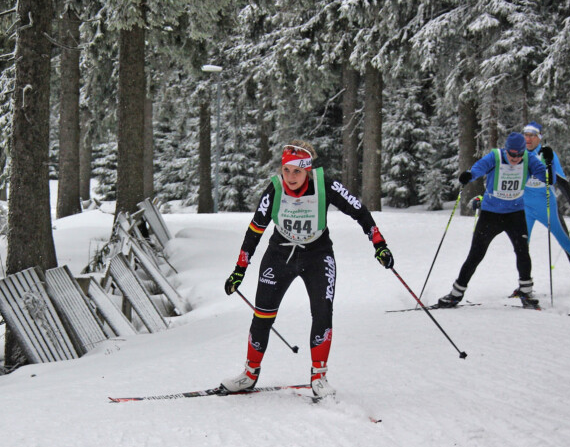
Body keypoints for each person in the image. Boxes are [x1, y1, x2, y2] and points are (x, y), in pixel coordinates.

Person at [221, 140, 394, 398]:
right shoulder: (275, 189)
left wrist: (379, 244)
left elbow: (359, 211)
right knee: (263, 314)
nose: (290, 177)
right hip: (279, 255)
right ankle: (249, 374)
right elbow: (255, 230)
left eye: (297, 171)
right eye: (286, 170)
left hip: (317, 255)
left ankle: (318, 377)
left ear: (307, 170)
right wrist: (239, 270)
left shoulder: (325, 185)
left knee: (322, 311)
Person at [437, 132, 548, 309]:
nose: (515, 158)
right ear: (506, 150)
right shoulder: (495, 157)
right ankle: (456, 294)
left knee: (522, 252)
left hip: (515, 214)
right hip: (491, 214)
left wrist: (549, 164)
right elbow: (478, 168)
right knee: (476, 254)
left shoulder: (529, 159)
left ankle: (526, 292)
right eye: (512, 154)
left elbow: (547, 178)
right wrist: (469, 175)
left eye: (519, 154)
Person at [520, 121, 570, 292]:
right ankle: (524, 285)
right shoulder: (519, 153)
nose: (528, 139)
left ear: (539, 137)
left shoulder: (547, 154)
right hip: (525, 207)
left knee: (565, 242)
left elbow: (562, 181)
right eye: (525, 135)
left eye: (532, 135)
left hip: (546, 206)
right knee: (521, 246)